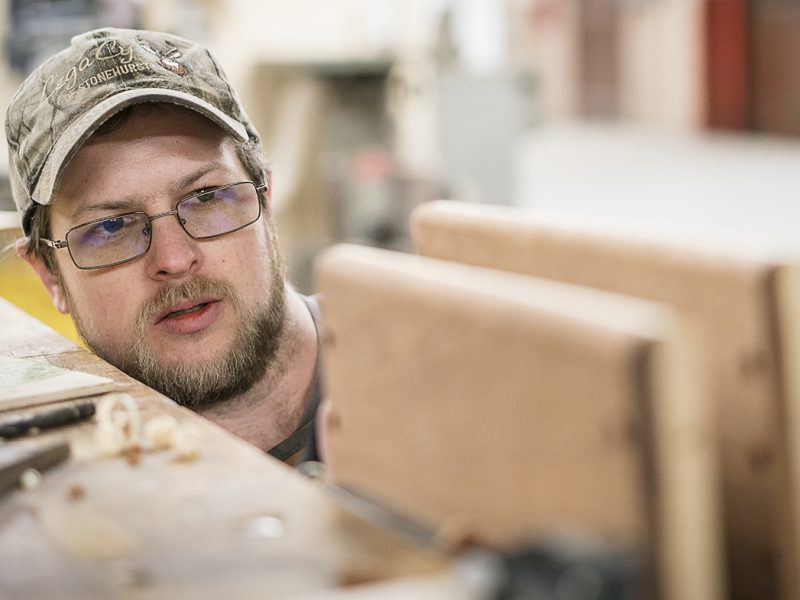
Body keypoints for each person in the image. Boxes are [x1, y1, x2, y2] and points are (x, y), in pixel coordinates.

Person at [5, 27, 321, 464]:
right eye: (112, 226)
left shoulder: (421, 376)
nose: (174, 258)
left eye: (207, 198)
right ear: (48, 274)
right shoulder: (58, 493)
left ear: (265, 201)